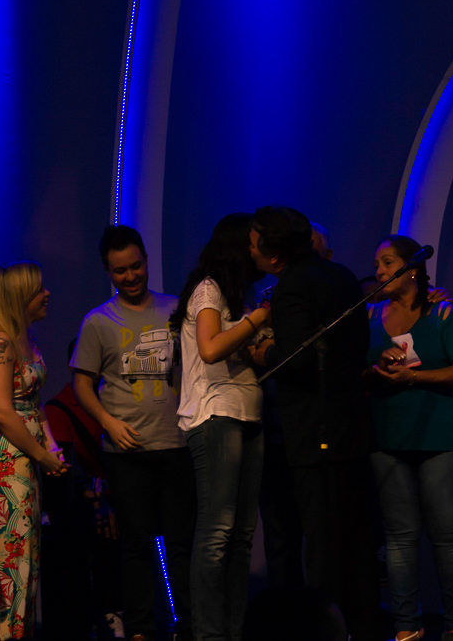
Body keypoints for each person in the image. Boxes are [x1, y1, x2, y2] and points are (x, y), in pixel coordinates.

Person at [248, 206, 381, 641]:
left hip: (314, 429)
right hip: (351, 425)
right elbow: (357, 344)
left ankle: (325, 632)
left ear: (273, 256)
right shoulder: (340, 275)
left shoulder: (290, 289)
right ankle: (361, 628)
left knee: (322, 546)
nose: (250, 252)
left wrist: (262, 353)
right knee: (356, 542)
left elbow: (297, 358)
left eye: (253, 245)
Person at [72, 225, 195, 641]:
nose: (130, 276)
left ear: (146, 259)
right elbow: (82, 384)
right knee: (137, 545)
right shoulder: (98, 321)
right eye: (120, 270)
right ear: (108, 271)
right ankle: (142, 628)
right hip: (126, 452)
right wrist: (108, 423)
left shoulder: (176, 309)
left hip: (177, 444)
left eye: (136, 266)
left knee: (182, 544)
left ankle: (189, 625)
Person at [365, 235, 453, 639]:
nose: (379, 270)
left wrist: (415, 376)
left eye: (387, 262)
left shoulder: (443, 312)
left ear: (412, 268)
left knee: (447, 533)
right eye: (376, 263)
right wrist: (377, 367)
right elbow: (357, 375)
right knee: (399, 536)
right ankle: (407, 627)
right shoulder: (370, 315)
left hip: (439, 436)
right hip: (388, 436)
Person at [170, 213, 268, 641]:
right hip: (215, 416)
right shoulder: (208, 289)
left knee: (243, 533)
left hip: (248, 414)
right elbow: (210, 349)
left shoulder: (239, 297)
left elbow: (243, 354)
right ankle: (208, 633)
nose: (255, 251)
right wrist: (261, 316)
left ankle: (232, 629)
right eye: (250, 244)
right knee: (218, 530)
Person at [0, 260, 67, 640]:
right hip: (5, 459)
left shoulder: (23, 339)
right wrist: (41, 454)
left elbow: (33, 402)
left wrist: (51, 448)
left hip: (25, 458)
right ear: (18, 297)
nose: (47, 294)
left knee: (24, 558)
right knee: (12, 562)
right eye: (39, 289)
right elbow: (2, 410)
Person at [41, 338, 123, 640]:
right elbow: (66, 471)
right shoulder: (59, 408)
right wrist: (99, 497)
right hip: (80, 509)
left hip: (118, 496)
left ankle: (119, 613)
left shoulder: (119, 401)